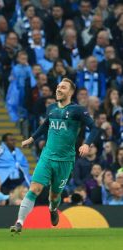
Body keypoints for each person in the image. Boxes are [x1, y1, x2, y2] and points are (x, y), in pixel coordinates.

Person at [10, 78, 99, 233]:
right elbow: (46, 125)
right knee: (34, 188)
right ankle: (19, 222)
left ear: (71, 92)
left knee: (54, 196)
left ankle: (53, 208)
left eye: (63, 87)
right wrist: (31, 139)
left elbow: (95, 128)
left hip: (65, 160)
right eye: (58, 86)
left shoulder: (78, 110)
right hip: (47, 156)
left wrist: (86, 143)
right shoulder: (51, 108)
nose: (58, 89)